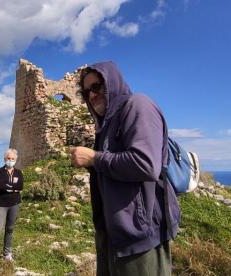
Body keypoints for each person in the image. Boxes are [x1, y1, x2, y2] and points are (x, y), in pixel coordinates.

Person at [70, 61, 180, 276]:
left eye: (97, 86)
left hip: (140, 238)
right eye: (86, 92)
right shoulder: (106, 125)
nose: (91, 96)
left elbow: (146, 164)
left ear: (112, 83)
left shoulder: (138, 105)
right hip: (114, 235)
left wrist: (94, 159)